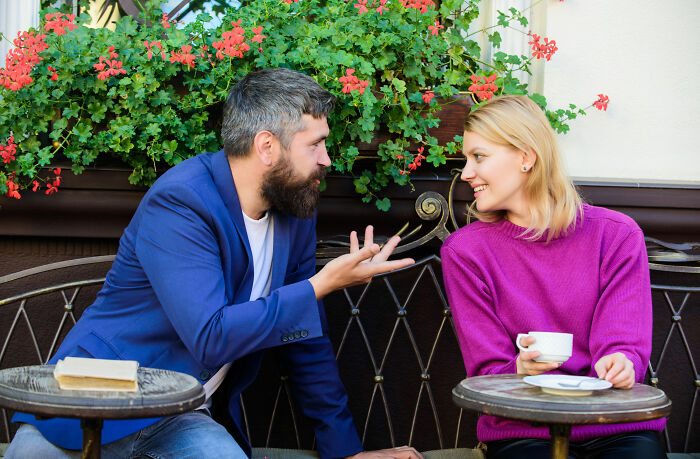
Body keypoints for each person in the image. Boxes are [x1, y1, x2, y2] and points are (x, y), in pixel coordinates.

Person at [6, 68, 422, 459]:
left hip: (181, 417)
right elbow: (210, 337)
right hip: (90, 404)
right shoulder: (182, 202)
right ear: (267, 146)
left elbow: (304, 340)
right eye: (315, 144)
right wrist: (319, 286)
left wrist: (344, 450)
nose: (326, 159)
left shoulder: (294, 212)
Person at [440, 95, 666, 459]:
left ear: (526, 158)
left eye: (478, 157)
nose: (466, 173)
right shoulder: (464, 252)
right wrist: (519, 367)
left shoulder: (616, 235)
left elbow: (623, 345)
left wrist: (621, 363)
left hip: (613, 426)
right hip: (522, 428)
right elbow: (486, 370)